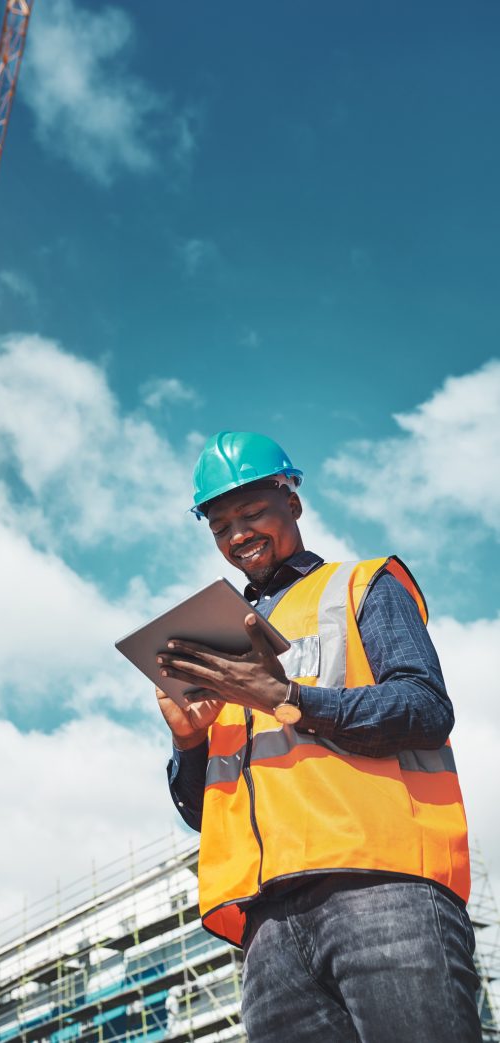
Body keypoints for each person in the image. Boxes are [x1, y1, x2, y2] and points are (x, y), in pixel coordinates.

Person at [155, 430, 480, 1043]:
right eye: (221, 526)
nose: (238, 535)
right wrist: (189, 743)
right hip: (267, 928)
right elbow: (204, 813)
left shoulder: (361, 585)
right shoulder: (215, 641)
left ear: (292, 502)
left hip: (382, 888)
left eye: (252, 513)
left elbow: (425, 708)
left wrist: (289, 698)